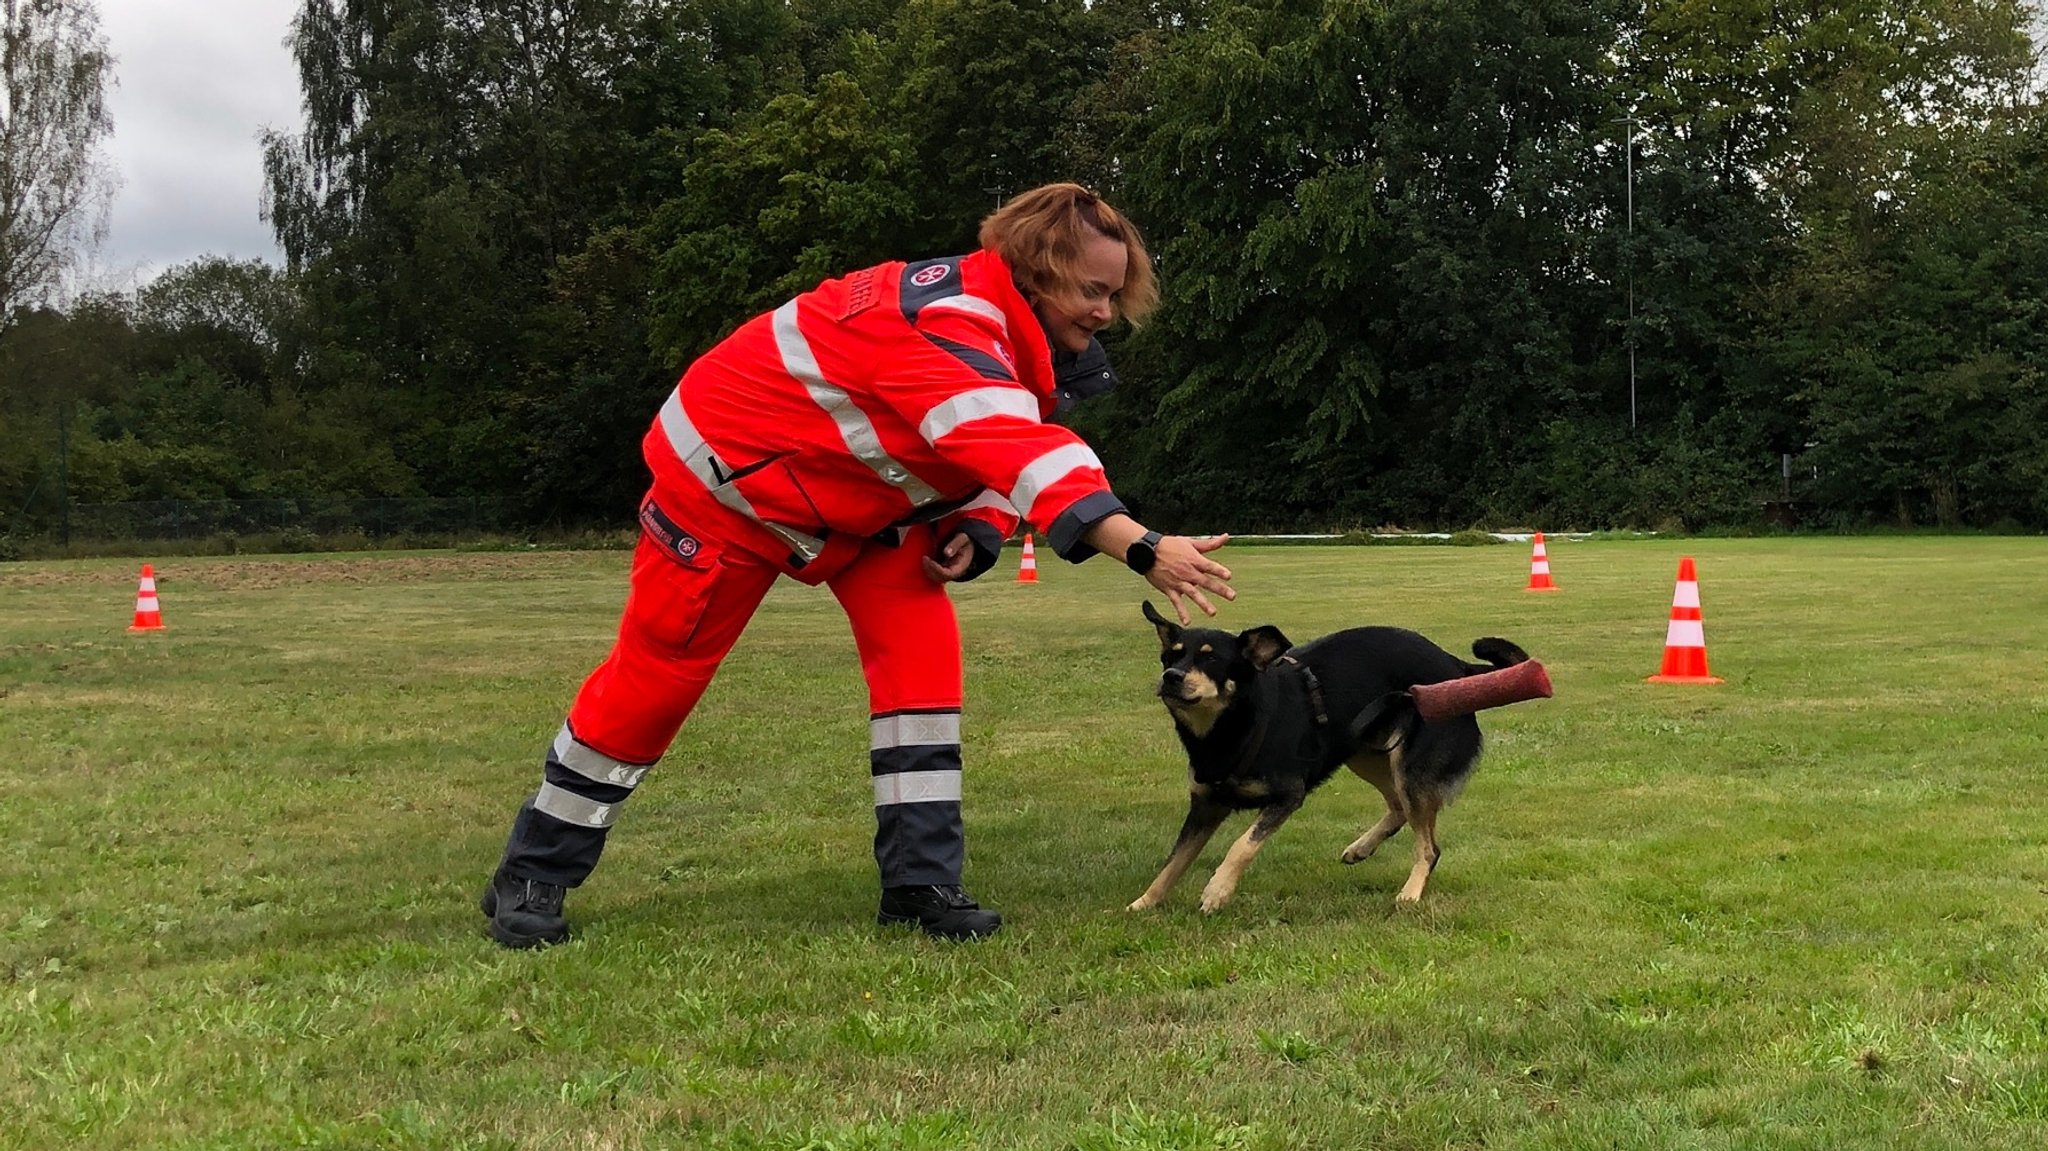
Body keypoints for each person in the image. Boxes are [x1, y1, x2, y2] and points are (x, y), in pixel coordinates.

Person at [481, 183, 1236, 947]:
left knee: (923, 668)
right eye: (1092, 290)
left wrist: (975, 526)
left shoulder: (1001, 334)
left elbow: (988, 447)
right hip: (727, 496)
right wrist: (1143, 546)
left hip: (859, 511)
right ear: (1036, 270)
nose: (1106, 311)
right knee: (656, 681)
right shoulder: (946, 321)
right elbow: (1021, 447)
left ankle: (919, 882)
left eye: (1114, 293)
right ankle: (533, 870)